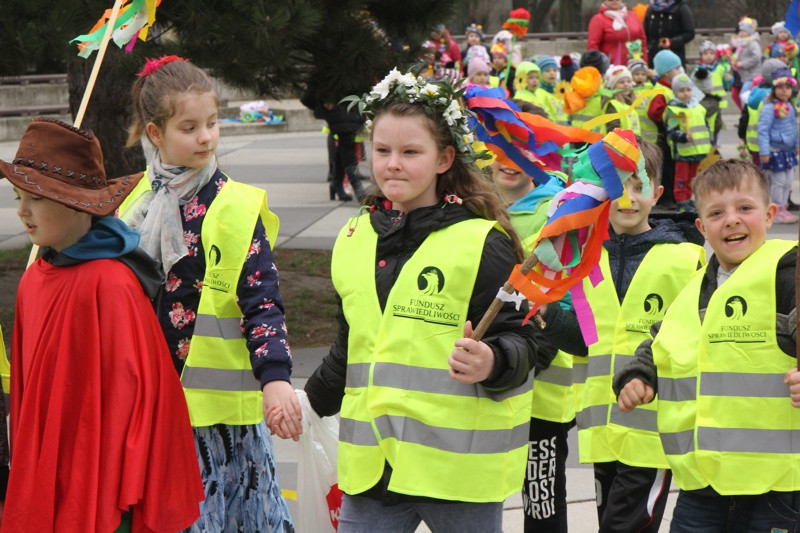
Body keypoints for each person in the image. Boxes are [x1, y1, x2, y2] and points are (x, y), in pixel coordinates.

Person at [298, 68, 541, 532]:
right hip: (374, 476)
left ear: (444, 158)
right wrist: (308, 404)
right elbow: (354, 347)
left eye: (411, 152)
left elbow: (528, 341)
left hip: (456, 474)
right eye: (383, 150)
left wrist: (493, 360)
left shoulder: (483, 243)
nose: (393, 164)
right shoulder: (354, 237)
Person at [1, 117, 204, 531]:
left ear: (74, 202)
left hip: (104, 489)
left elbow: (138, 403)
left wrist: (117, 493)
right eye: (18, 196)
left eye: (35, 199)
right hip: (51, 472)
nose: (21, 211)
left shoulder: (110, 284)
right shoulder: (34, 281)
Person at [120, 56, 296, 532]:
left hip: (223, 419)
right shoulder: (132, 204)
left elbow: (262, 300)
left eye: (213, 124)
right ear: (156, 134)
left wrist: (275, 376)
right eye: (190, 127)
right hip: (154, 408)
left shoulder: (235, 205)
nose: (206, 137)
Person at [614, 158, 799, 533]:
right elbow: (658, 344)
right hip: (703, 484)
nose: (731, 219)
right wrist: (637, 376)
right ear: (701, 227)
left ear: (770, 215)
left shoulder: (788, 274)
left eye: (745, 208)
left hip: (775, 485)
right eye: (717, 212)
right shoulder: (693, 291)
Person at [534, 137, 706, 533]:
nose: (627, 198)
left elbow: (692, 339)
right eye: (616, 186)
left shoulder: (684, 259)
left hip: (654, 436)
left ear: (657, 193)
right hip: (601, 433)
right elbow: (586, 340)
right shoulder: (584, 260)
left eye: (638, 185)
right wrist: (545, 314)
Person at [489, 103, 575, 533]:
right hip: (483, 379)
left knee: (540, 505)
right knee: (478, 497)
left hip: (542, 390)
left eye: (521, 147)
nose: (509, 159)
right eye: (501, 146)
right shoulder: (471, 205)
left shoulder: (562, 212)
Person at [301, 91, 368, 202]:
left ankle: (336, 184)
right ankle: (356, 186)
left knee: (344, 146)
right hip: (344, 113)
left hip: (349, 110)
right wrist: (323, 103)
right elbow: (307, 96)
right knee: (347, 145)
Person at [663, 73, 711, 213]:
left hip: (698, 150)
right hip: (683, 151)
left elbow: (706, 127)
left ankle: (689, 199)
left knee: (693, 178)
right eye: (681, 91)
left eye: (688, 90)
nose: (686, 94)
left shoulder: (698, 107)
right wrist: (683, 136)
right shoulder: (673, 109)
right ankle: (681, 201)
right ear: (675, 93)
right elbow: (671, 130)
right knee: (681, 178)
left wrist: (709, 141)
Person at [757, 68, 800, 224]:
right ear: (774, 89)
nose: (784, 91)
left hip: (787, 151)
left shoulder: (790, 106)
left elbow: (794, 127)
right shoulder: (769, 108)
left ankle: (784, 208)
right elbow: (763, 130)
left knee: (789, 181)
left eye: (788, 88)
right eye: (780, 87)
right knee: (779, 181)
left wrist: (796, 144)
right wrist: (764, 151)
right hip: (774, 151)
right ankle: (776, 209)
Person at [646, 49, 685, 209]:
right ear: (667, 72)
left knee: (673, 166)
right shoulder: (662, 90)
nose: (679, 71)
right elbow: (654, 112)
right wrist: (669, 115)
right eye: (677, 68)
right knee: (668, 168)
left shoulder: (672, 88)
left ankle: (673, 196)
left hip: (672, 134)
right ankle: (667, 197)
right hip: (665, 134)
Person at [690, 40, 733, 146]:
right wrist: (699, 99)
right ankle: (707, 143)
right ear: (701, 55)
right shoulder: (698, 70)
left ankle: (716, 144)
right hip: (704, 103)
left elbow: (727, 84)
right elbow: (693, 85)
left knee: (717, 124)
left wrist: (729, 79)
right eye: (705, 53)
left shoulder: (720, 68)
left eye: (711, 53)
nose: (708, 56)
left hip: (718, 102)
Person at [587, 0, 649, 66]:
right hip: (612, 67)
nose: (614, 1)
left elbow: (642, 41)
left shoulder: (633, 15)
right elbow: (593, 46)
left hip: (636, 66)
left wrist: (644, 63)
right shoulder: (598, 19)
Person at [643, 0, 695, 69]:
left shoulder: (681, 8)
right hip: (653, 57)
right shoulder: (651, 9)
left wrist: (672, 42)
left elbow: (690, 33)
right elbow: (644, 33)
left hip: (674, 58)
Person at [731, 17, 763, 109]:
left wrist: (743, 63)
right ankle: (746, 115)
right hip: (745, 76)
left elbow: (757, 57)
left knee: (744, 96)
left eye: (744, 31)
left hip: (753, 76)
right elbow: (736, 55)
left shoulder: (753, 43)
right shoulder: (741, 44)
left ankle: (747, 116)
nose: (741, 33)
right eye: (740, 31)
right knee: (742, 96)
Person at [601, 65, 640, 134]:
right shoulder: (613, 105)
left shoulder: (629, 104)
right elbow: (613, 130)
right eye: (621, 82)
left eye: (629, 81)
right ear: (614, 86)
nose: (626, 85)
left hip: (633, 144)